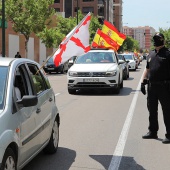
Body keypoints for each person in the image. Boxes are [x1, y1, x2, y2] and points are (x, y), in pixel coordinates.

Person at [141, 32, 170, 144]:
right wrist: (143, 82)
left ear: (163, 40)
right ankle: (152, 131)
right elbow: (147, 69)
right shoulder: (151, 54)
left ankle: (169, 134)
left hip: (165, 87)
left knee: (167, 111)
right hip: (152, 87)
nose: (156, 41)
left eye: (158, 39)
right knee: (152, 110)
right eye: (155, 39)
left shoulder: (168, 54)